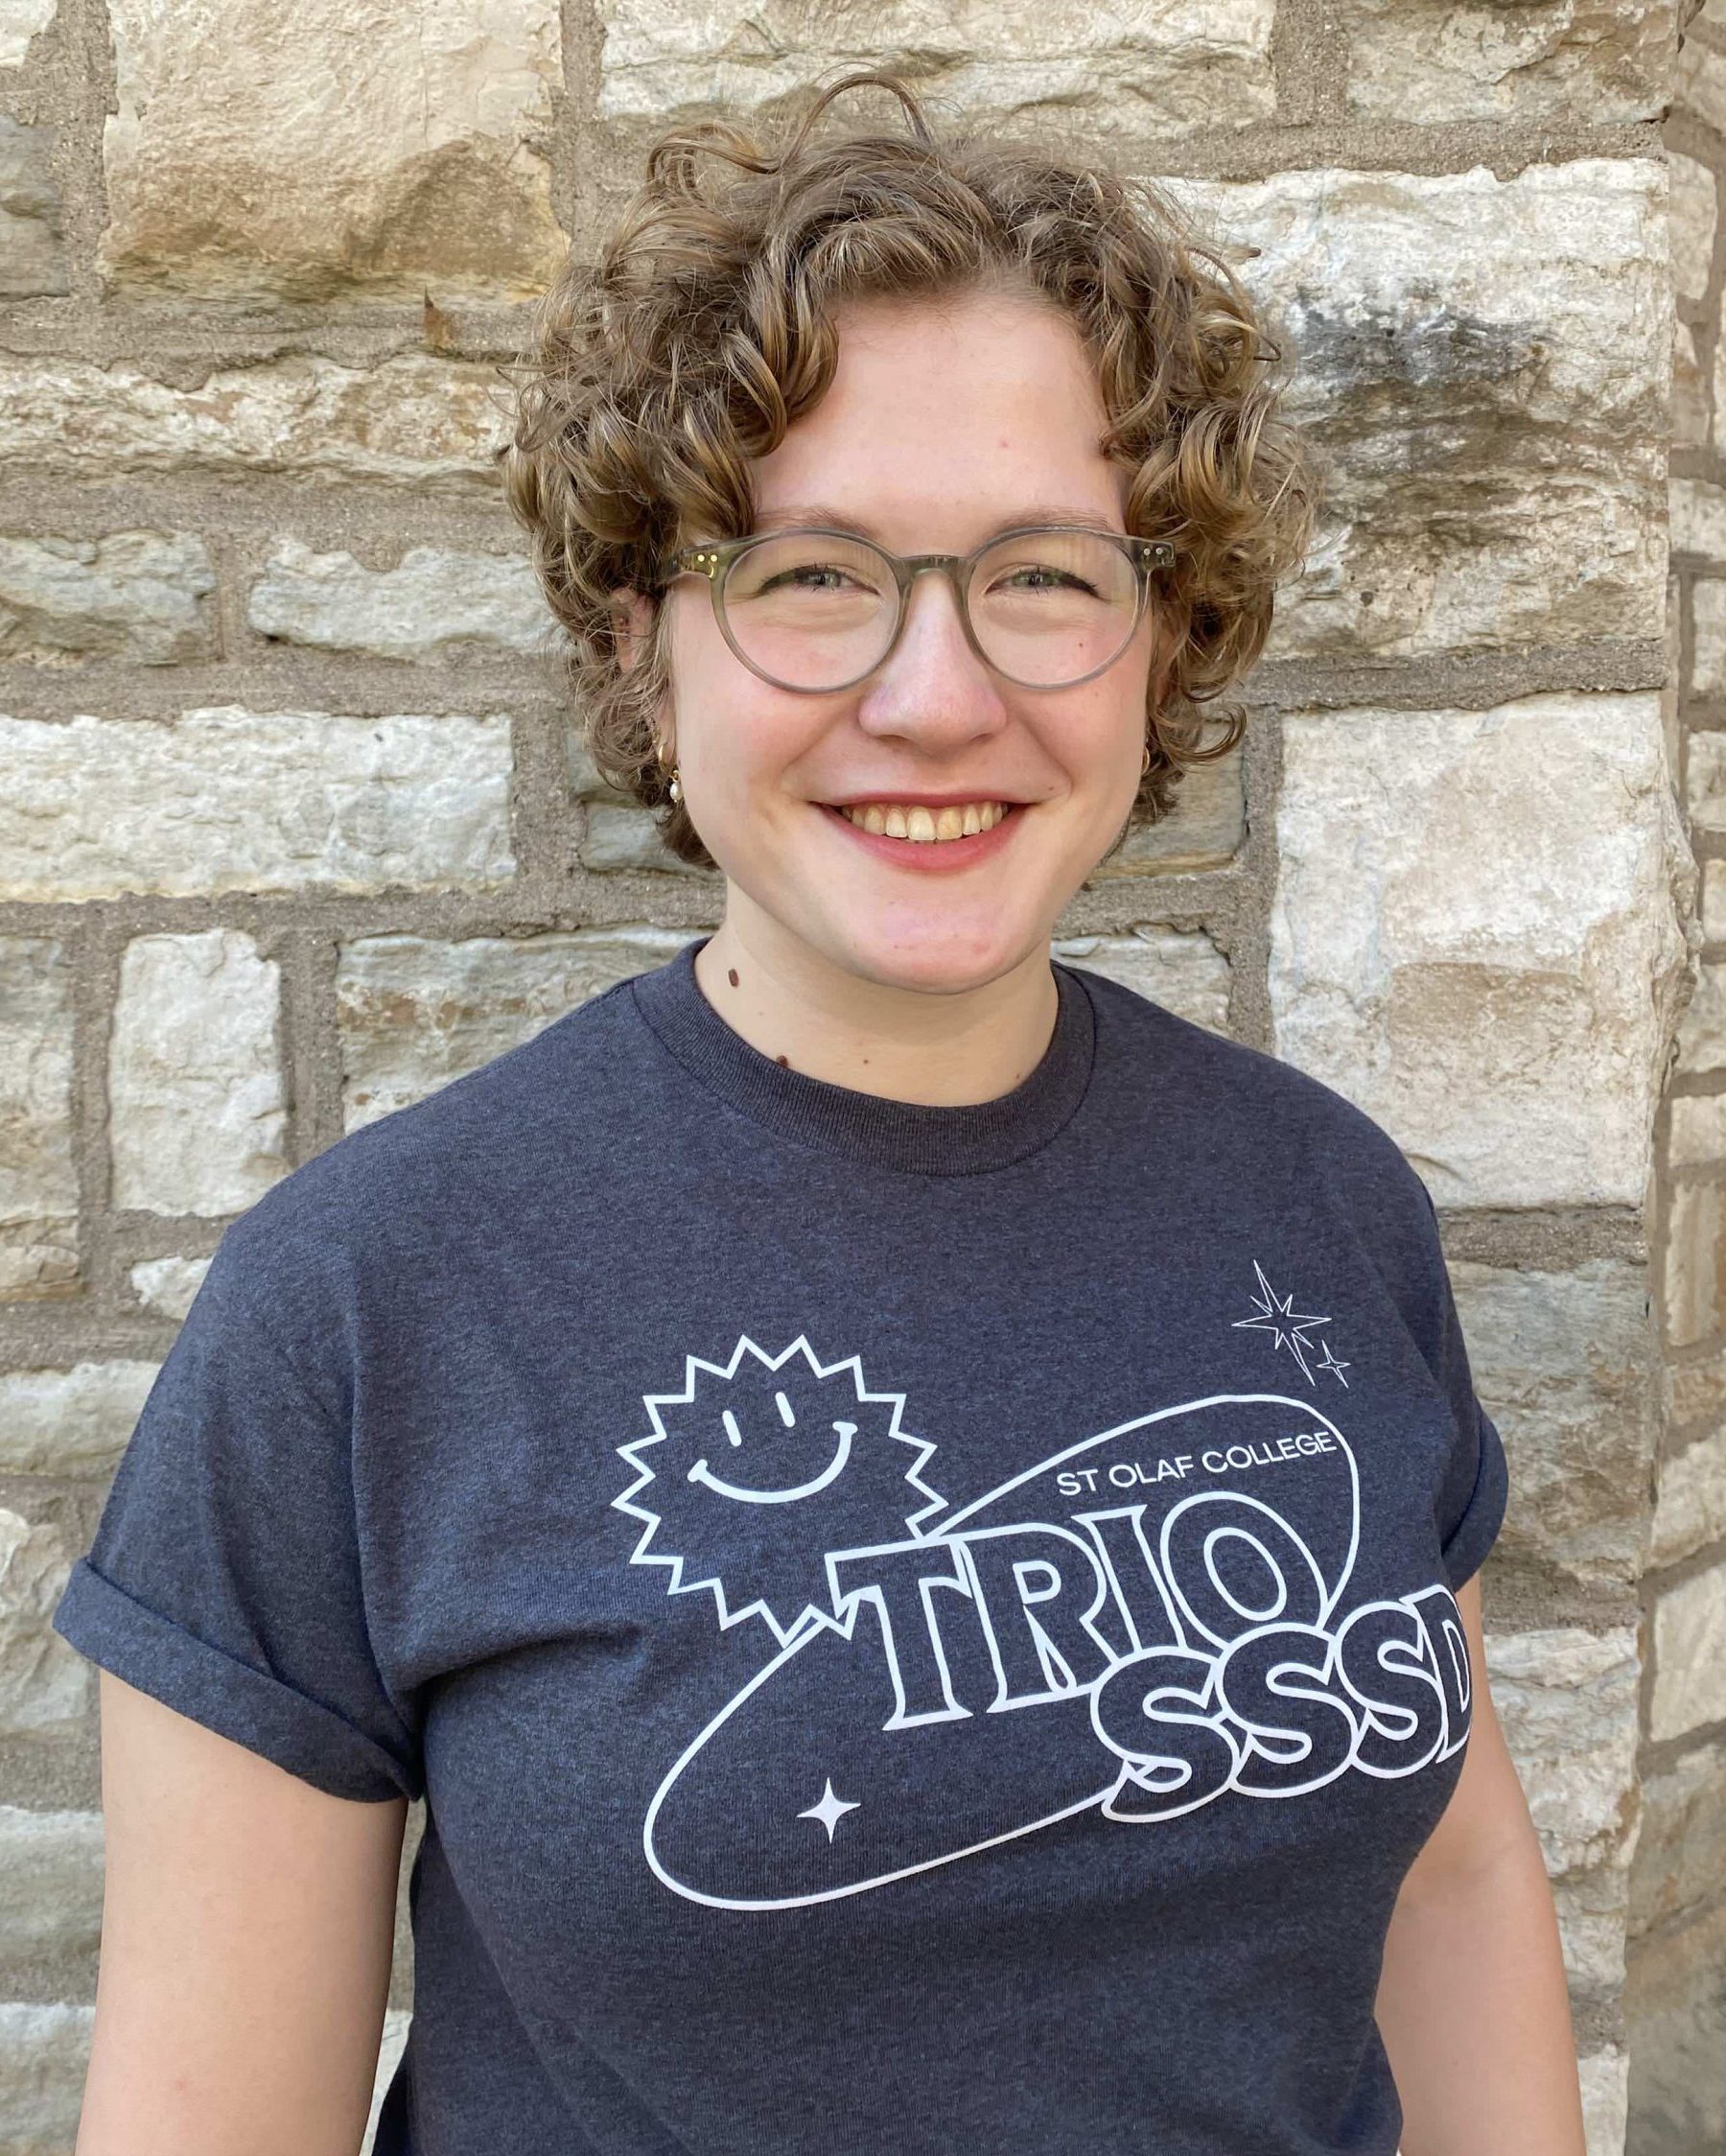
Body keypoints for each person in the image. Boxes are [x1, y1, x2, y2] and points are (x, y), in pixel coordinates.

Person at [52, 68, 1587, 2156]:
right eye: (808, 574)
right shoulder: (367, 1299)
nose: (937, 694)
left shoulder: (1318, 1198)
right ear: (642, 638)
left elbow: (1456, 1876)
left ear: (1166, 638)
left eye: (1045, 574)